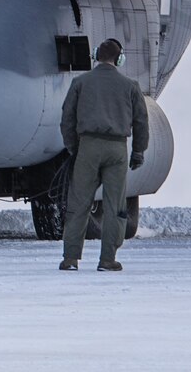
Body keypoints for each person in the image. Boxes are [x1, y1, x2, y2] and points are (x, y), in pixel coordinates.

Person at [57, 37, 150, 273]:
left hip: (87, 146)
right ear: (119, 59)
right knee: (115, 205)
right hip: (116, 149)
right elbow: (141, 122)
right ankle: (107, 259)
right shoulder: (130, 86)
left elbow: (67, 118)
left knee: (79, 203)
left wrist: (73, 147)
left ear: (97, 55)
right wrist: (138, 151)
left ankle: (70, 260)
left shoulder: (80, 82)